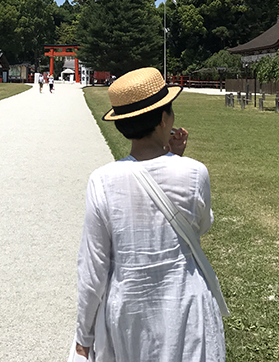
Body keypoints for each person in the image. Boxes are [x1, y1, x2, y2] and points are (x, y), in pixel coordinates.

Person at [75, 67, 225, 361]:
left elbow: (92, 268)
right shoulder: (194, 172)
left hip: (129, 311)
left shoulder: (103, 180)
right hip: (186, 307)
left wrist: (84, 335)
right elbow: (202, 225)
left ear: (122, 125)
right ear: (163, 119)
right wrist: (176, 157)